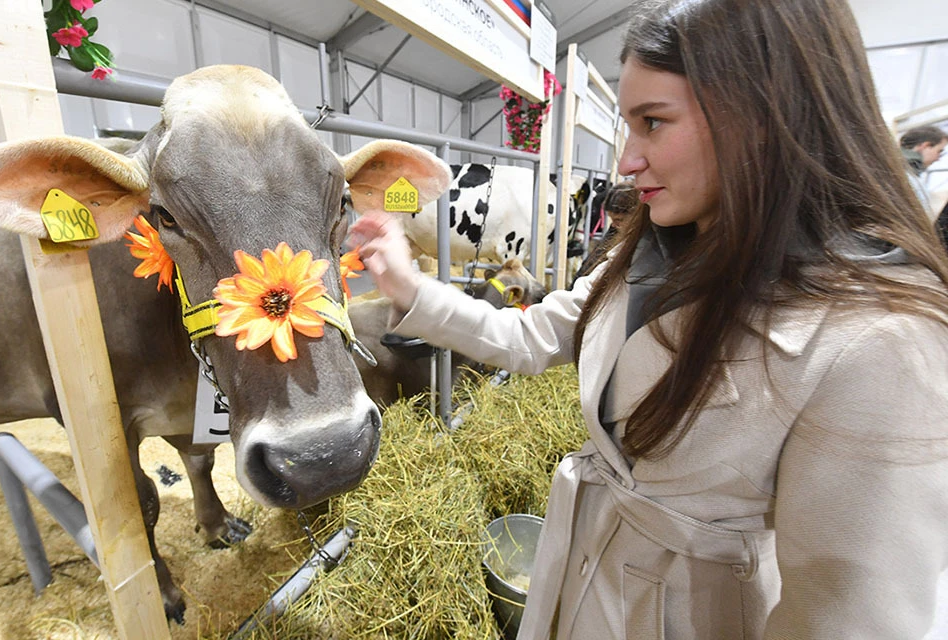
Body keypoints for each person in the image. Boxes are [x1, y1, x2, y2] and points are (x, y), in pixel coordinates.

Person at [351, 0, 948, 637]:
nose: (626, 162)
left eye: (653, 123)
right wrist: (407, 284)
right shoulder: (652, 249)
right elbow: (530, 337)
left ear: (760, 118)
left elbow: (852, 616)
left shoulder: (880, 340)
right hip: (581, 570)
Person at [570, 180, 641, 281]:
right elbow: (593, 262)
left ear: (637, 214)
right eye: (612, 219)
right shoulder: (618, 229)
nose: (614, 224)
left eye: (619, 219)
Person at [900, 125, 948, 220]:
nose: (938, 158)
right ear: (925, 146)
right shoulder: (906, 177)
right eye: (939, 151)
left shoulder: (907, 172)